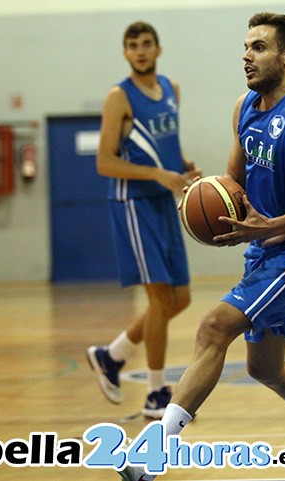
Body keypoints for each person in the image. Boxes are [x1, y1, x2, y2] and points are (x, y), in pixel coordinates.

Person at [121, 12, 285, 481]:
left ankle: (155, 452)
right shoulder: (245, 107)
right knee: (265, 367)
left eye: (258, 47)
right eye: (246, 47)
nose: (246, 55)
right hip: (265, 249)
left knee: (214, 327)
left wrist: (277, 224)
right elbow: (233, 181)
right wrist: (201, 197)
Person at [86, 21, 201, 419]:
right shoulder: (120, 97)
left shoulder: (171, 90)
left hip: (165, 200)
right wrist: (157, 174)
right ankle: (156, 393)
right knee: (158, 299)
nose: (139, 51)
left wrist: (182, 166)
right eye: (132, 46)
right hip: (133, 202)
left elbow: (164, 144)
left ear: (158, 48)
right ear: (125, 53)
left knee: (179, 299)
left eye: (146, 44)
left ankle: (112, 355)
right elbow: (104, 162)